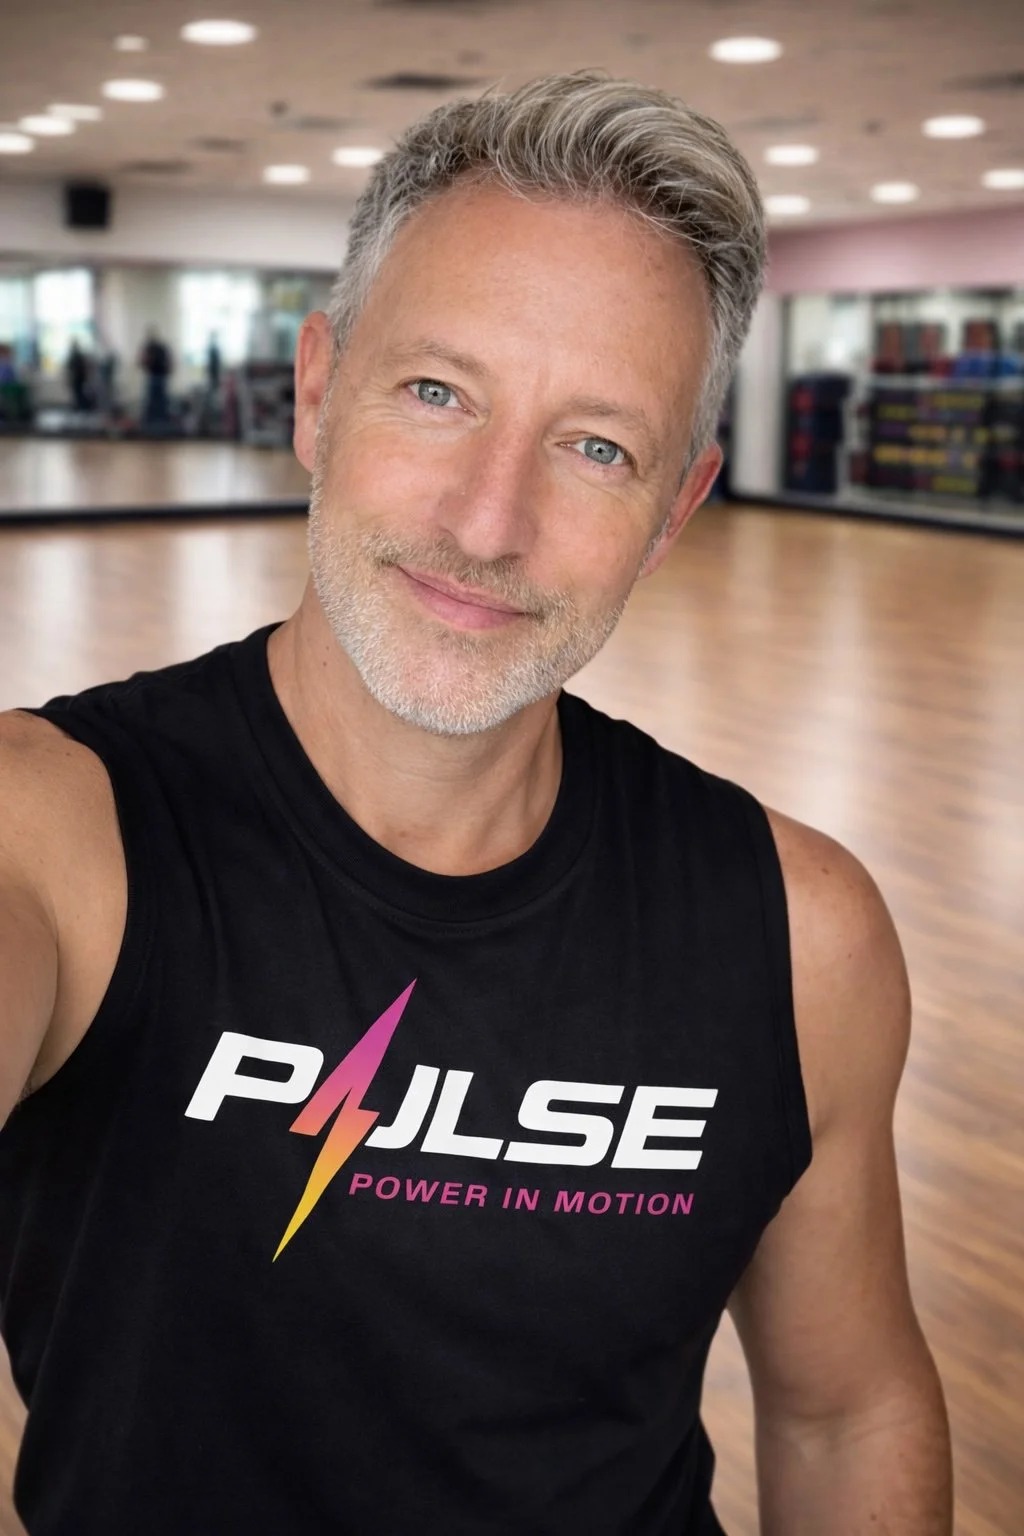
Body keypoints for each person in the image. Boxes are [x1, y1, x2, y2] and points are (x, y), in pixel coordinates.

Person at [0, 73, 952, 1535]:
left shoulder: (801, 935)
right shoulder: (55, 841)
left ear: (675, 510)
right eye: (437, 393)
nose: (488, 522)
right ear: (318, 392)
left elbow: (845, 1413)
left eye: (597, 446)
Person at [137, 324, 173, 426]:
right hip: (153, 376)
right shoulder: (148, 347)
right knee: (152, 401)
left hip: (160, 377)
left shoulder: (161, 347)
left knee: (161, 402)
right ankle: (152, 424)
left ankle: (161, 423)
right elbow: (142, 361)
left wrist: (167, 369)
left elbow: (169, 361)